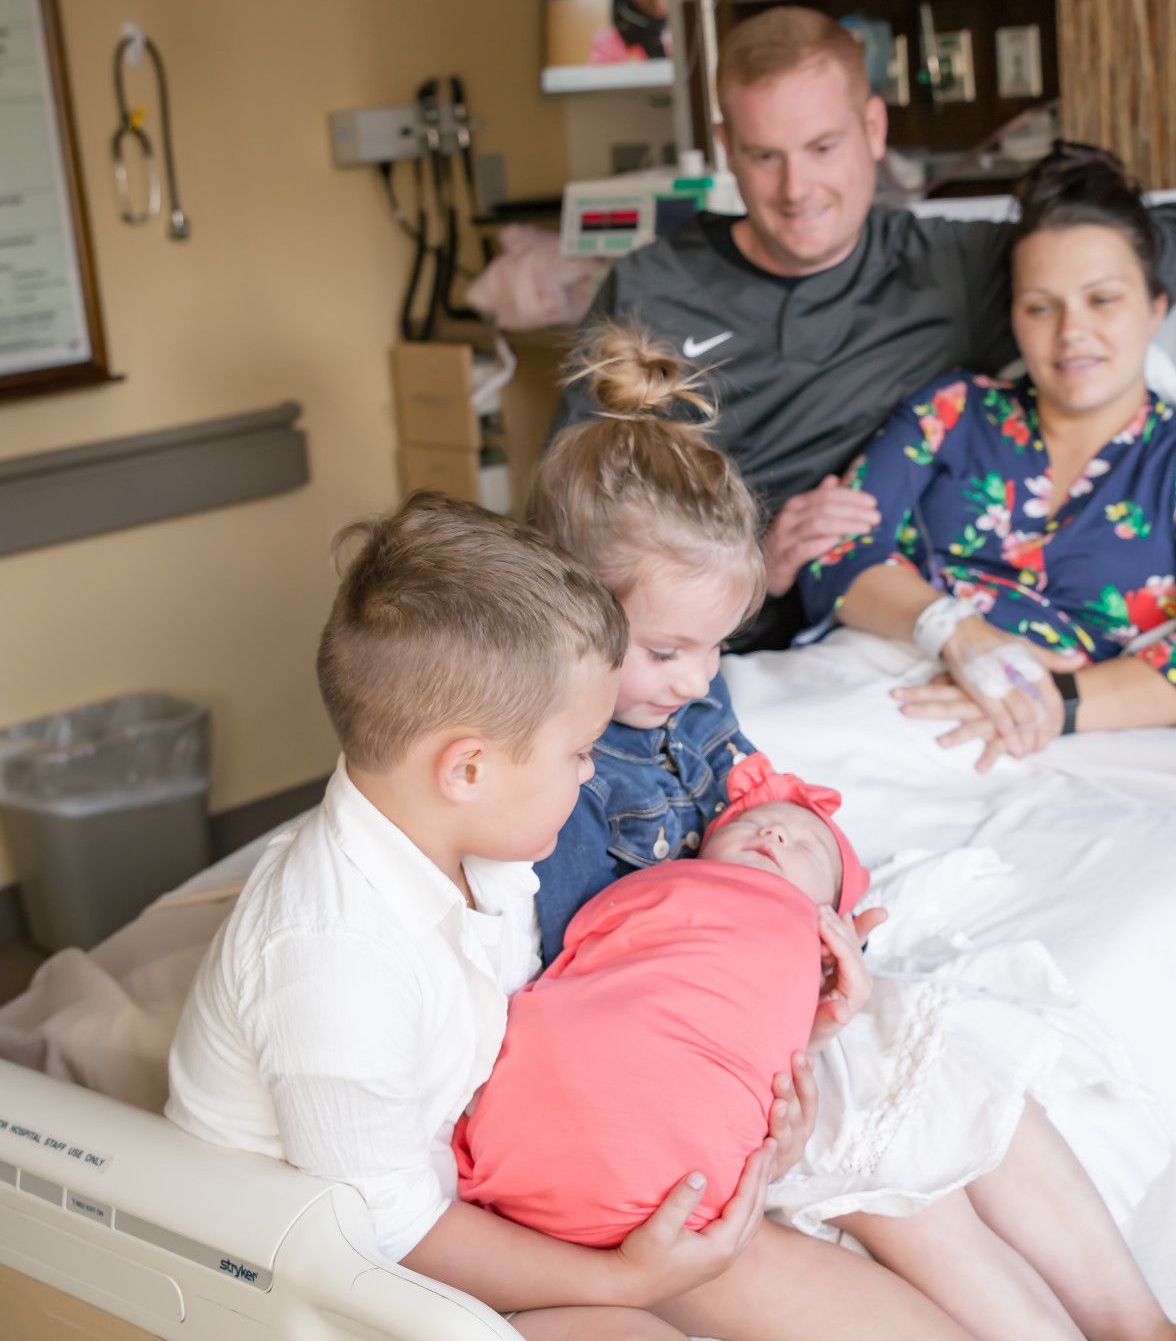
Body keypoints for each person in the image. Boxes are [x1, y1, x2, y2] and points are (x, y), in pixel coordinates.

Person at [530, 322, 1176, 1341]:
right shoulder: (555, 780)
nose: (700, 680)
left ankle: (1146, 1329)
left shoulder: (690, 707)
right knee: (910, 1183)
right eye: (671, 650)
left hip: (765, 990)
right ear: (565, 613)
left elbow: (769, 809)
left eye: (719, 648)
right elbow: (586, 976)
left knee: (957, 1067)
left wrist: (824, 908)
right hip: (692, 1043)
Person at [552, 5, 1176, 650]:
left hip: (852, 632)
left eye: (823, 147)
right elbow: (570, 520)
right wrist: (755, 561)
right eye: (764, 156)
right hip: (671, 641)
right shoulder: (652, 288)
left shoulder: (957, 272)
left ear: (872, 127)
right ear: (725, 146)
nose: (797, 190)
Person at [165, 496, 779, 1341]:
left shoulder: (481, 845)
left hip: (463, 1195)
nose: (591, 771)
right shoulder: (333, 959)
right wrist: (619, 1278)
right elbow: (386, 1233)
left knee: (791, 1268)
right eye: (579, 752)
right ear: (468, 769)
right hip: (322, 1286)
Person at [798, 142, 1176, 773]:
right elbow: (836, 552)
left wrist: (1047, 702)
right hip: (877, 684)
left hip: (1051, 742)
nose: (1071, 333)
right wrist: (954, 630)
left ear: (1155, 310)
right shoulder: (952, 412)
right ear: (1014, 317)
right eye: (1041, 307)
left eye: (1103, 300)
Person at [456, 755, 872, 1247]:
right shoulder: (676, 881)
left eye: (811, 849)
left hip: (685, 1184)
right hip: (686, 1212)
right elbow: (588, 934)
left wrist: (818, 1021)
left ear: (834, 924)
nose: (776, 834)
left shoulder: (802, 947)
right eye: (751, 823)